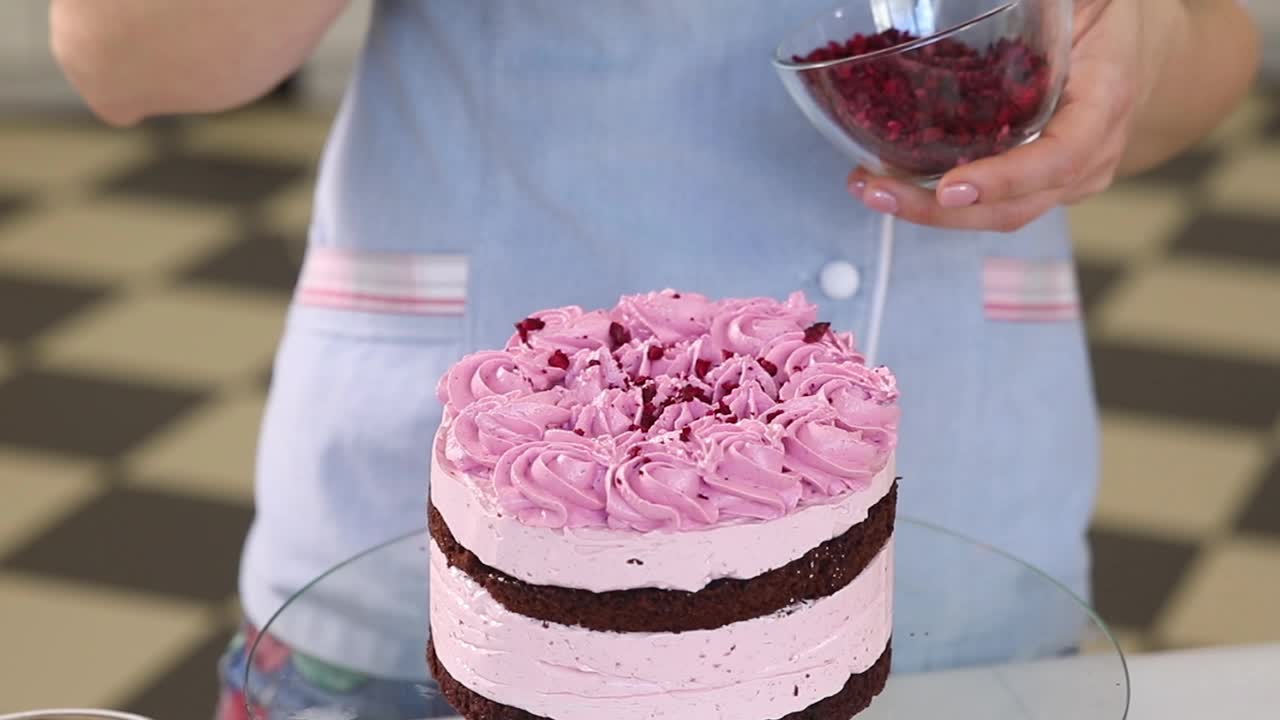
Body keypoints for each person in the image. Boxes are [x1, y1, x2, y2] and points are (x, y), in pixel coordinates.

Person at [52, 1, 1259, 717]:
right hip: (440, 611)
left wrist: (1127, 50)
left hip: (959, 604)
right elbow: (127, 52)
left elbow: (1206, 45)